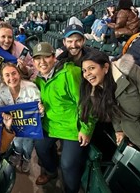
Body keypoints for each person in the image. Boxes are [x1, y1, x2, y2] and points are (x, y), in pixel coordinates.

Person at [80, 51, 140, 165]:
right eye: (84, 70)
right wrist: (119, 130)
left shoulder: (131, 72)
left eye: (91, 68)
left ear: (106, 67)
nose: (87, 74)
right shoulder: (97, 87)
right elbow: (113, 108)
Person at [32, 42, 95, 193]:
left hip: (72, 128)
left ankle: (71, 190)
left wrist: (86, 129)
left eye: (46, 57)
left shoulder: (71, 73)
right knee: (41, 147)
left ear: (54, 57)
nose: (42, 62)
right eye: (37, 58)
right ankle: (51, 171)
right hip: (51, 125)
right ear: (33, 62)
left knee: (68, 164)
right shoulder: (38, 80)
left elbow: (87, 103)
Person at [0, 62, 44, 173]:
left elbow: (38, 111)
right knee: (17, 142)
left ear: (19, 74)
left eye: (14, 73)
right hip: (14, 125)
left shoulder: (31, 88)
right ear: (3, 78)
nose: (11, 78)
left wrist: (41, 110)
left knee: (27, 144)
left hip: (29, 125)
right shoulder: (1, 89)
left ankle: (26, 159)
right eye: (7, 75)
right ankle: (18, 155)